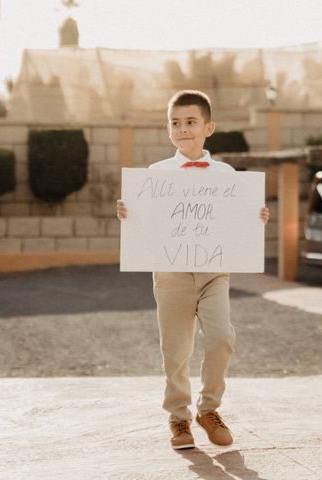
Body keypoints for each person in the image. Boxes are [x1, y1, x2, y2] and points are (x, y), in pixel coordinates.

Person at [116, 90, 270, 450]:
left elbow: (238, 222)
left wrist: (256, 217)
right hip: (171, 273)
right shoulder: (155, 175)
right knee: (176, 347)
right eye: (175, 123)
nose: (182, 129)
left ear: (208, 127)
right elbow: (144, 224)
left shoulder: (226, 174)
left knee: (221, 338)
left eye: (190, 122)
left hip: (214, 271)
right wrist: (129, 212)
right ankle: (179, 418)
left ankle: (209, 408)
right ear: (168, 128)